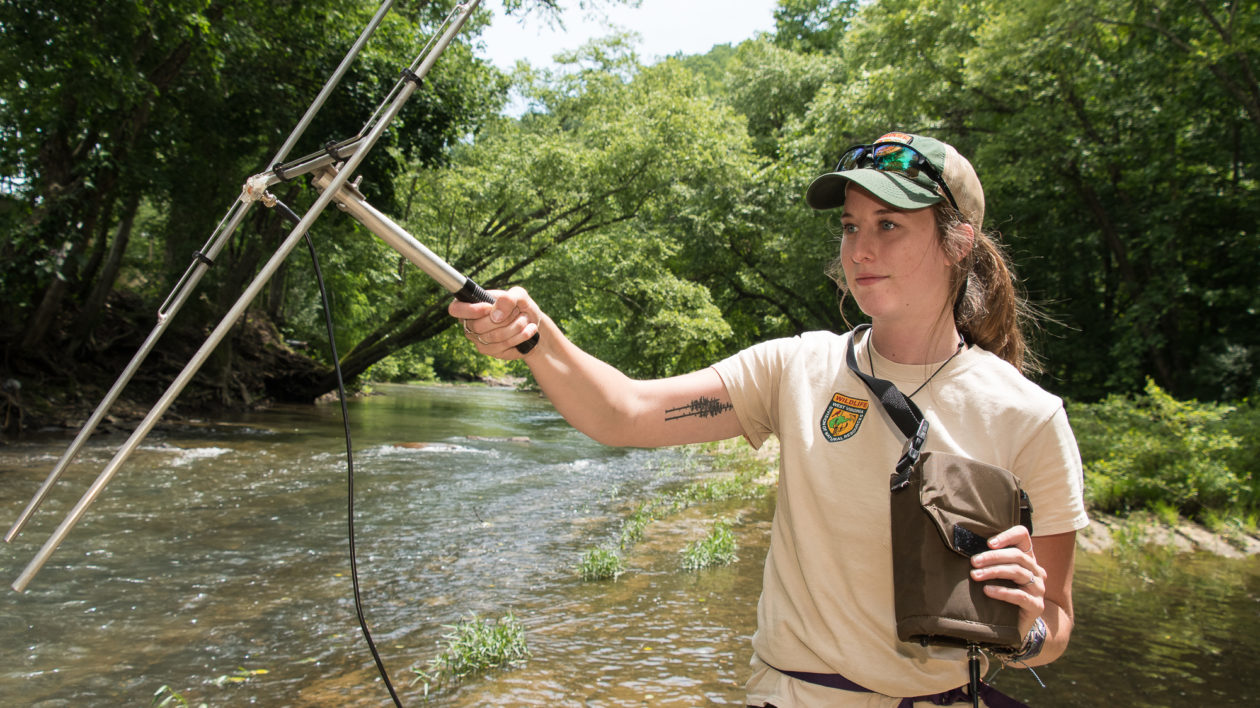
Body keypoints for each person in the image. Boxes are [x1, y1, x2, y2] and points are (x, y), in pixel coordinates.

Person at [448, 132, 1089, 707]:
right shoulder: (794, 368)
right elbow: (626, 412)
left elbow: (1054, 623)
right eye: (849, 226)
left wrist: (1028, 630)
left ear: (958, 242)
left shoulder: (1029, 418)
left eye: (889, 225)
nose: (860, 248)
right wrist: (537, 339)